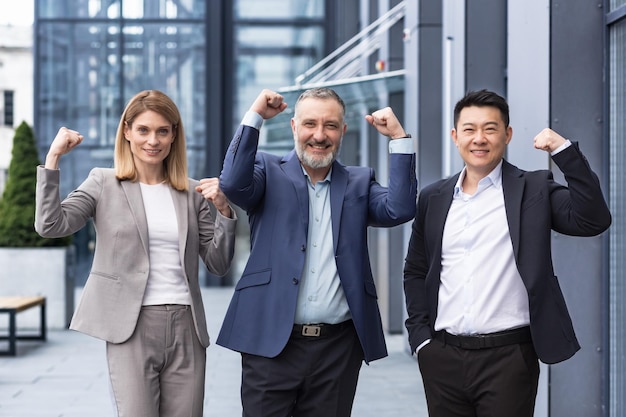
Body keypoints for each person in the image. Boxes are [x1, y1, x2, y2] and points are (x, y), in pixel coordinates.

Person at [403, 89, 612, 417]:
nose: (479, 139)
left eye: (490, 128)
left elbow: (592, 219)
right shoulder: (434, 198)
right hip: (442, 356)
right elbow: (416, 269)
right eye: (470, 129)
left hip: (510, 357)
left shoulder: (534, 189)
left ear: (507, 134)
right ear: (456, 136)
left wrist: (564, 151)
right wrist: (421, 339)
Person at [215, 87, 417, 416]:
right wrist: (254, 117)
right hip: (269, 342)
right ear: (294, 127)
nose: (319, 135)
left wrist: (398, 137)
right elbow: (233, 184)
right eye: (310, 124)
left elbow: (400, 208)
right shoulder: (268, 171)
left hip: (336, 350)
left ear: (343, 131)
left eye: (330, 126)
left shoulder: (359, 182)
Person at [34, 89, 237, 417]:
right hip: (131, 325)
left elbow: (218, 264)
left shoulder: (192, 192)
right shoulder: (103, 182)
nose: (152, 140)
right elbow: (50, 224)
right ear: (127, 131)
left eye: (162, 131)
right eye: (143, 130)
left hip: (187, 325)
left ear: (173, 136)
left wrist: (224, 212)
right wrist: (53, 159)